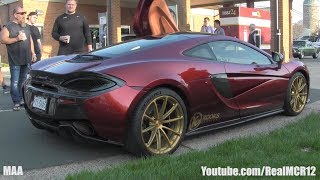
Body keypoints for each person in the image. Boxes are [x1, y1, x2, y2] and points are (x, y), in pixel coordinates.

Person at [0, 6, 37, 110]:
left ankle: (21, 99)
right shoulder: (8, 26)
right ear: (15, 15)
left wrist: (33, 53)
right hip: (15, 60)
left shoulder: (25, 26)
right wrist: (16, 38)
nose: (23, 15)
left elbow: (30, 41)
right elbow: (3, 40)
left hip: (26, 59)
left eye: (24, 13)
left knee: (23, 81)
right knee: (15, 82)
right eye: (21, 13)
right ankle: (16, 101)